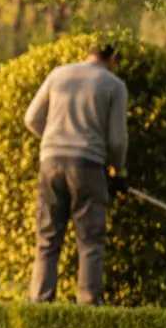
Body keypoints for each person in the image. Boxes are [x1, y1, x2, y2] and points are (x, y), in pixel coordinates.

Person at [23, 42, 129, 305]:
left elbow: (31, 118)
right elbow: (116, 141)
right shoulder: (114, 85)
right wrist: (118, 170)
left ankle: (39, 303)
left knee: (47, 238)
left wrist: (53, 140)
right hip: (88, 165)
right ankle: (89, 306)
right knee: (90, 241)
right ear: (112, 58)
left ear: (88, 51)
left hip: (50, 162)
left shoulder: (58, 74)